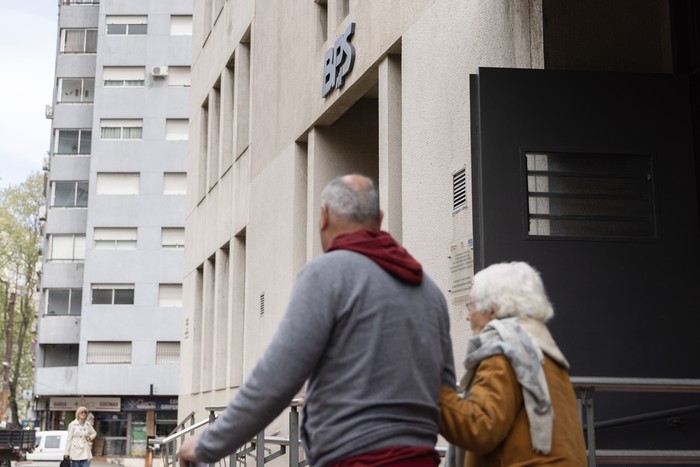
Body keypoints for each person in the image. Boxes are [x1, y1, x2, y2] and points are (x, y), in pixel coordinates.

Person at [178, 174, 455, 467]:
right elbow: (448, 397)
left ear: (323, 217)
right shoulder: (429, 291)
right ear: (380, 218)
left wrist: (207, 445)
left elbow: (276, 378)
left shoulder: (326, 274)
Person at [439, 261, 586, 466]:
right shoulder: (542, 349)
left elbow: (480, 429)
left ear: (492, 310)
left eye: (471, 305)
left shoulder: (504, 351)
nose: (467, 315)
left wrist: (432, 392)